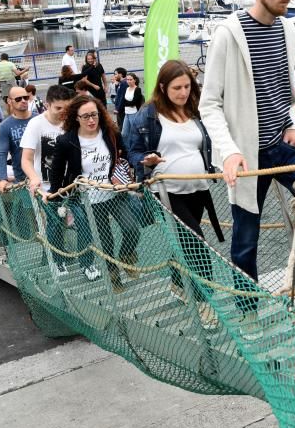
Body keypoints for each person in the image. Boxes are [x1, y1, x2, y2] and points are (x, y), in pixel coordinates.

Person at [199, 0, 295, 328]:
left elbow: (284, 88)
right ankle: (249, 316)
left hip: (283, 143)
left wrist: (292, 121)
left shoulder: (288, 30)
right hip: (246, 153)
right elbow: (209, 104)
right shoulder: (228, 34)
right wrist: (230, 152)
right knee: (245, 240)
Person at [126, 61, 223, 325]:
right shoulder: (148, 115)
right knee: (197, 244)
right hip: (166, 192)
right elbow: (132, 151)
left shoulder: (195, 110)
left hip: (198, 189)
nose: (183, 92)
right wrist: (146, 159)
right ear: (162, 87)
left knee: (186, 242)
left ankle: (177, 283)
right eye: (177, 87)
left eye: (187, 86)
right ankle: (206, 304)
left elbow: (207, 142)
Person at [48, 95, 137, 289]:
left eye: (94, 115)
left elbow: (126, 153)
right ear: (76, 117)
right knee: (106, 240)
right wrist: (54, 194)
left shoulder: (110, 132)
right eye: (85, 116)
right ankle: (114, 277)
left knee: (131, 228)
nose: (91, 120)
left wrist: (136, 166)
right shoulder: (66, 141)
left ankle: (127, 255)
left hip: (115, 192)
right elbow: (56, 170)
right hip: (89, 199)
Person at [20, 84, 75, 196]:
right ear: (47, 105)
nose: (63, 112)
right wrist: (34, 178)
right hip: (45, 188)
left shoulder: (72, 122)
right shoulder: (35, 124)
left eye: (67, 108)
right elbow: (26, 159)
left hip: (70, 185)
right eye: (58, 108)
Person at [0, 86, 34, 189]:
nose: (23, 101)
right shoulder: (5, 126)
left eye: (25, 98)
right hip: (22, 180)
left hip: (43, 176)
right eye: (18, 99)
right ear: (9, 101)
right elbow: (1, 154)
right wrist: (3, 178)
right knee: (28, 205)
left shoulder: (38, 119)